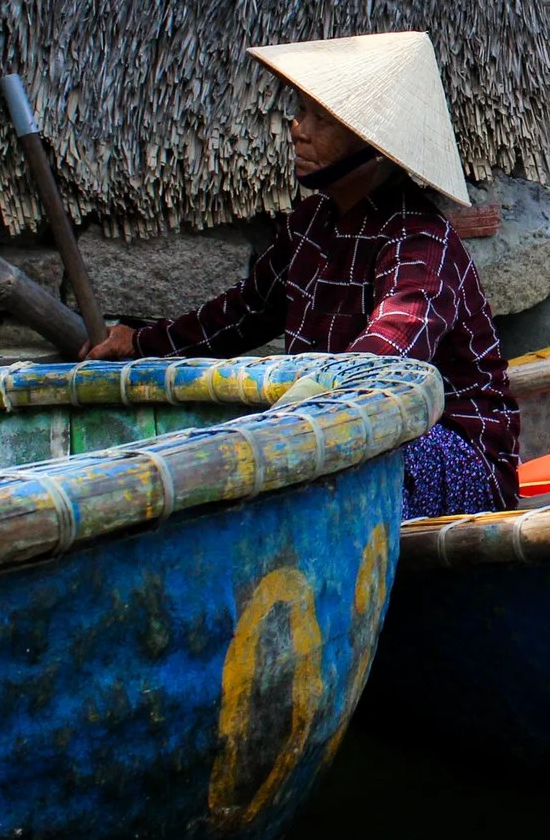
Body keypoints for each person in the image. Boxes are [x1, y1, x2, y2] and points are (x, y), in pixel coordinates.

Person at [82, 31, 517, 517]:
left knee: (341, 459)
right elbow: (240, 315)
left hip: (451, 452)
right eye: (300, 111)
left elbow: (386, 353)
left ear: (369, 144)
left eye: (319, 118)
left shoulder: (418, 240)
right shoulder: (310, 225)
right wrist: (140, 345)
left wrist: (290, 413)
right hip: (328, 423)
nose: (296, 127)